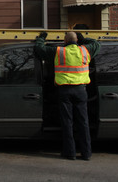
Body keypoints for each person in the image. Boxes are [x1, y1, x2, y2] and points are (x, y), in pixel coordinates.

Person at [34, 31, 100, 161]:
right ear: (76, 40)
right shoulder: (85, 50)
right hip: (81, 90)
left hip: (65, 91)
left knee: (67, 122)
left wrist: (41, 38)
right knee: (83, 122)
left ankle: (70, 153)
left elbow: (40, 49)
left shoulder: (59, 52)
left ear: (65, 41)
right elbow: (96, 44)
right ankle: (86, 153)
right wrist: (83, 39)